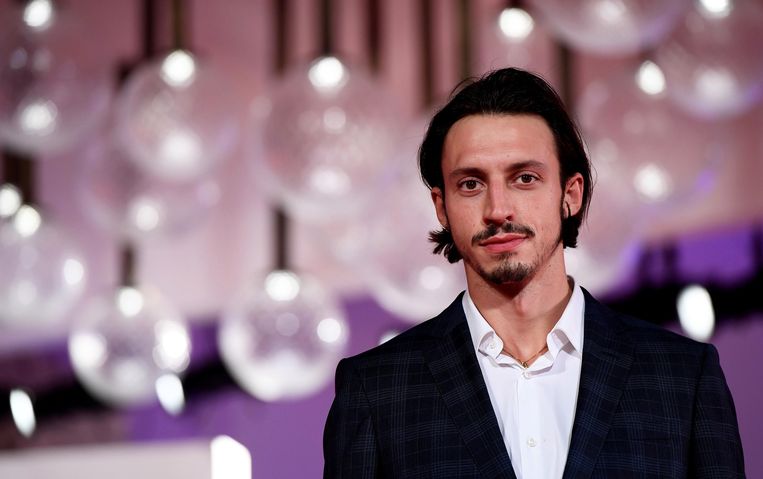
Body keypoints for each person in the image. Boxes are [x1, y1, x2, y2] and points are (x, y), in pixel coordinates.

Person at [323, 67, 744, 478]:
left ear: (570, 194)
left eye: (524, 178)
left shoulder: (682, 377)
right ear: (441, 207)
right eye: (470, 184)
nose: (497, 209)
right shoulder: (377, 390)